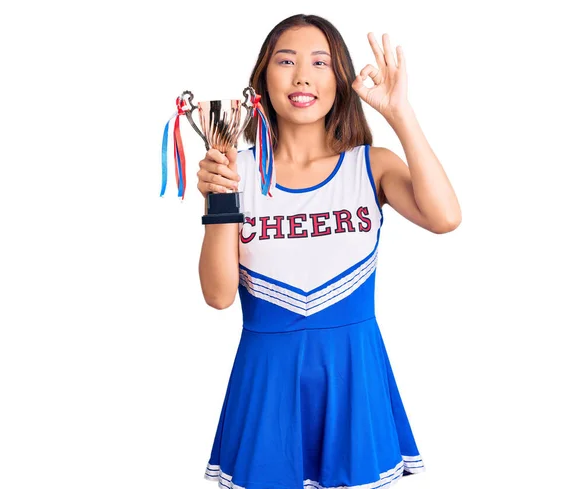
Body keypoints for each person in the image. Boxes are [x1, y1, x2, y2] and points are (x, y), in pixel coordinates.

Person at [196, 13, 461, 489]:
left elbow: (444, 218)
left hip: (353, 373)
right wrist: (220, 200)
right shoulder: (239, 173)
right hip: (267, 379)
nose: (302, 76)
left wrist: (399, 113)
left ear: (339, 78)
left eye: (320, 62)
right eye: (286, 61)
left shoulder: (369, 165)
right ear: (262, 78)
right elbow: (218, 296)